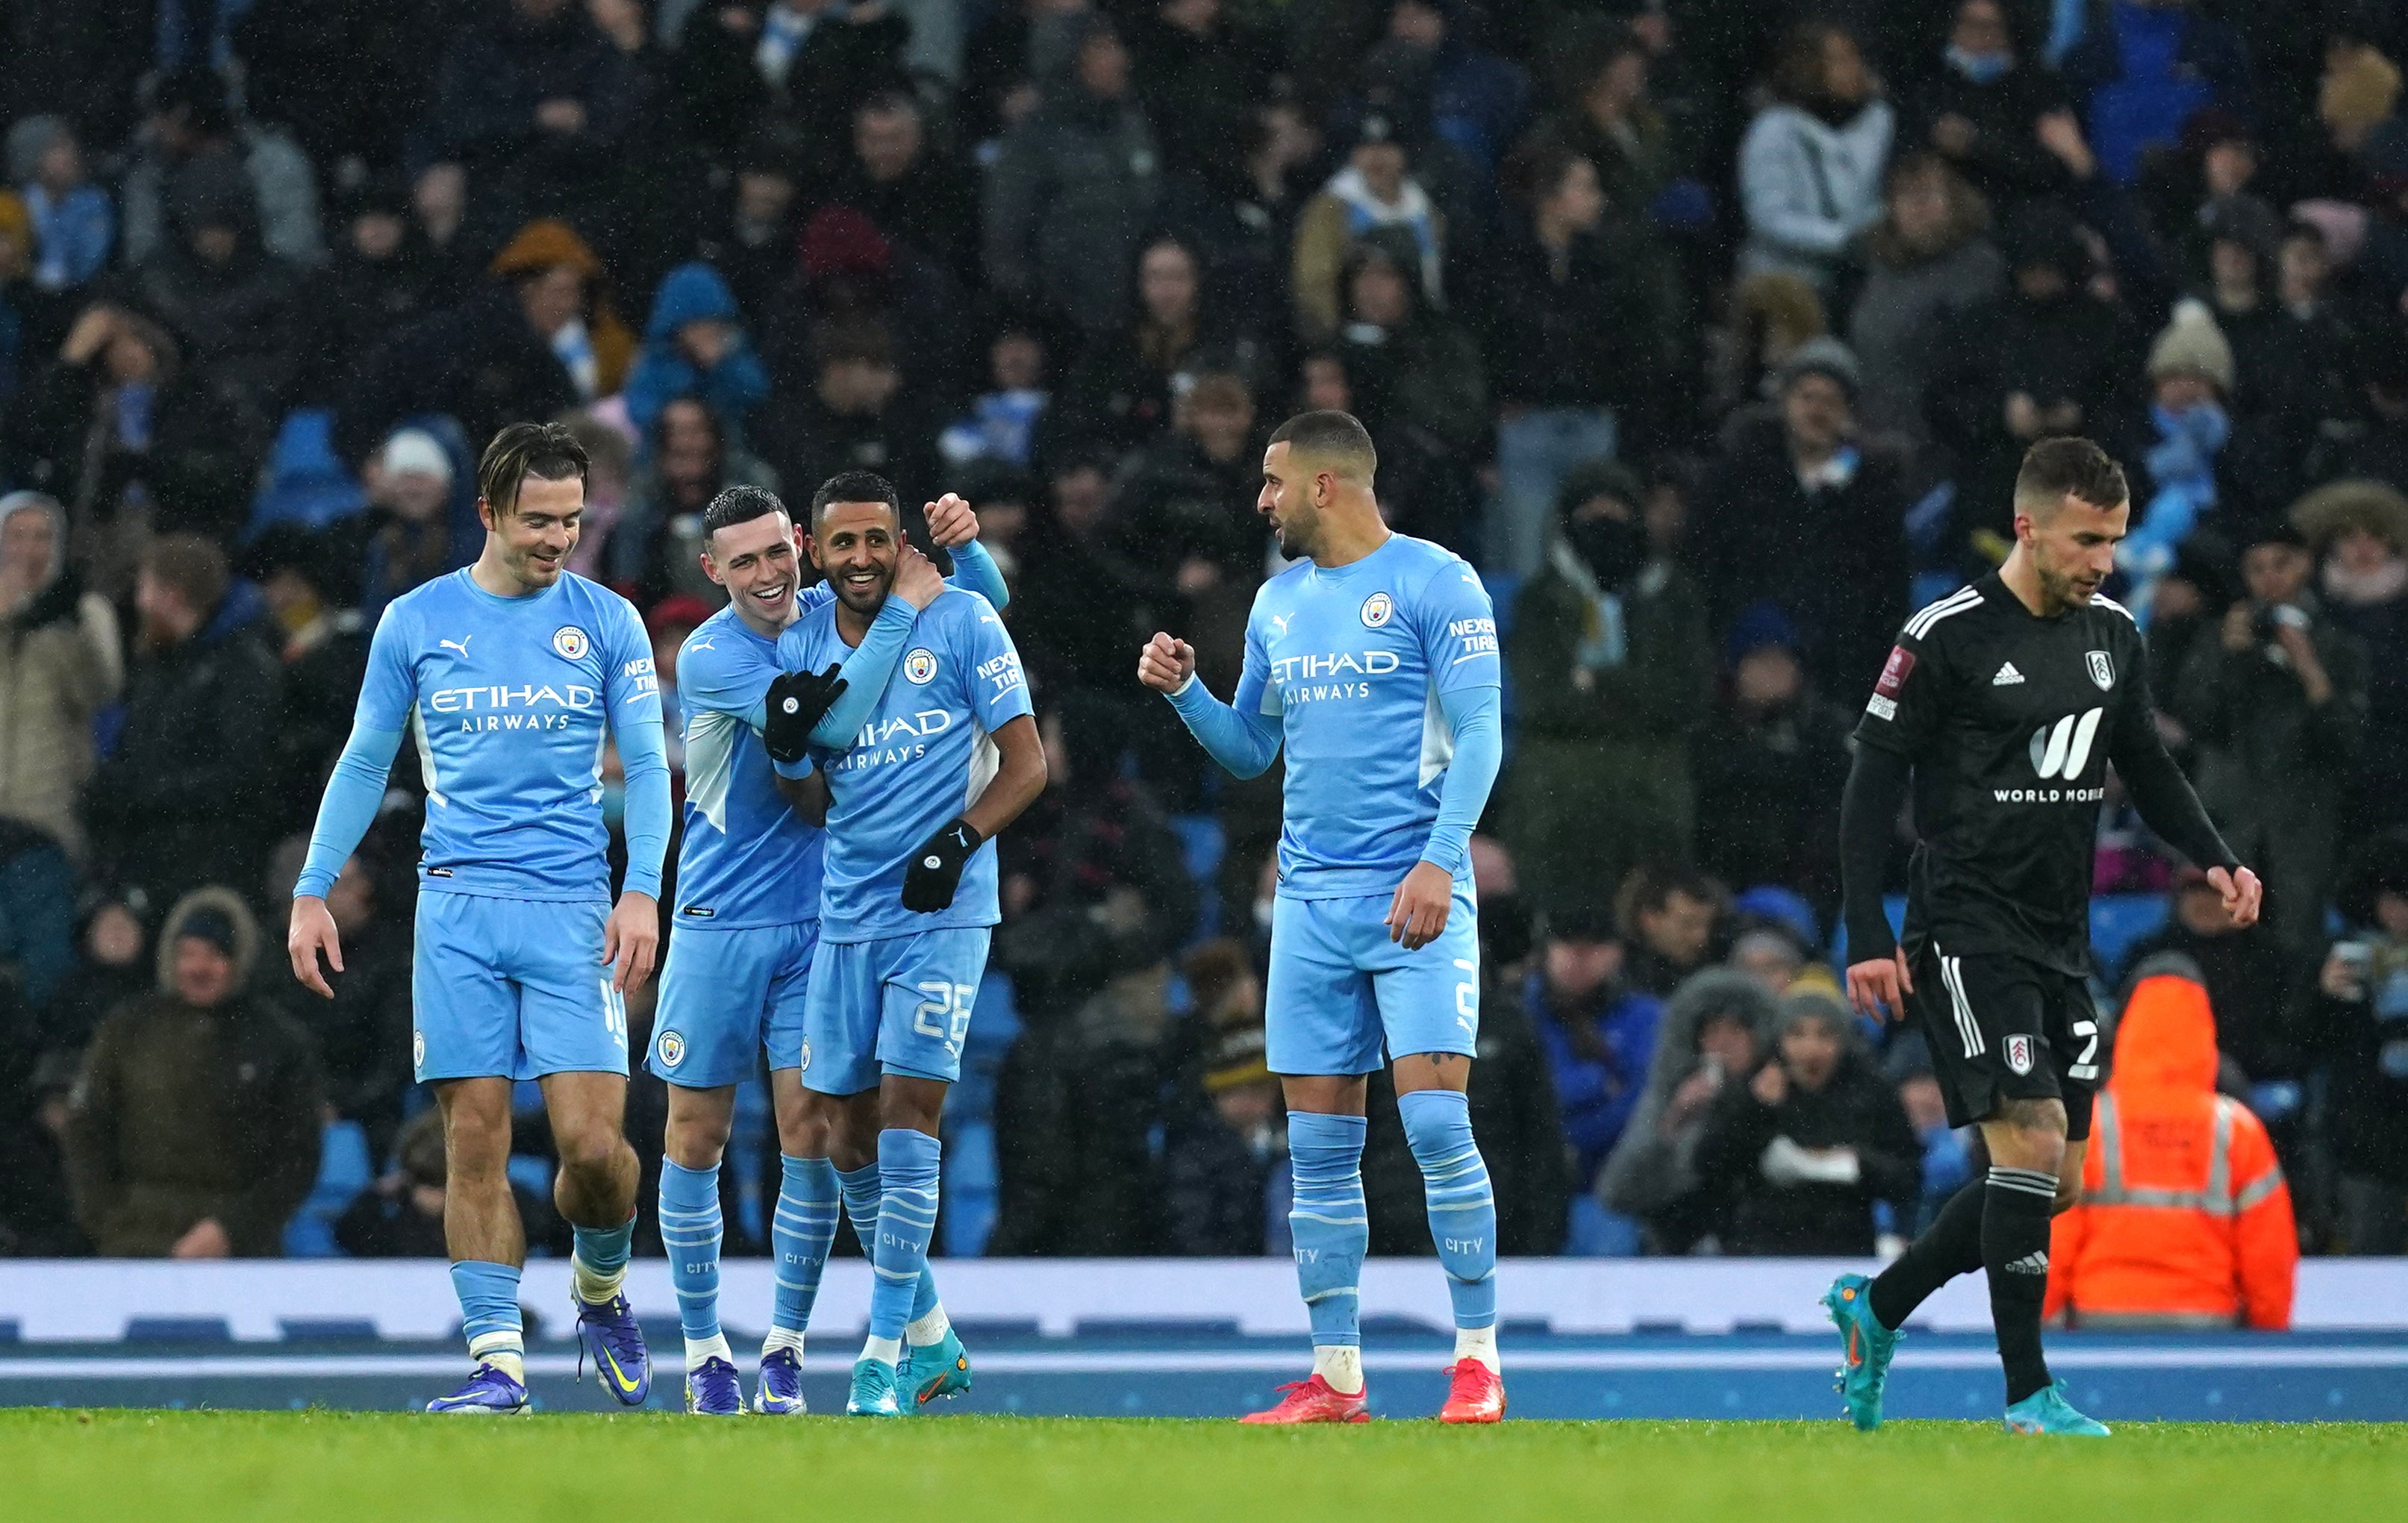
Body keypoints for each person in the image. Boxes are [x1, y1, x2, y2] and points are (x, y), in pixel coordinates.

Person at [1831, 437, 2264, 1437]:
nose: (2102, 561)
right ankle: (2028, 1394)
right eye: (2084, 540)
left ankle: (1876, 1306)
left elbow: (2146, 766)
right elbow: (1868, 788)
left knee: (2052, 1179)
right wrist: (1868, 929)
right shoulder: (1943, 634)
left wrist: (2215, 857)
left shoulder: (2113, 632)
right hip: (1962, 927)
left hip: (2058, 936)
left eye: (2111, 541)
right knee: (2028, 1137)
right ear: (2025, 527)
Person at [285, 422, 673, 1416]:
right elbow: (368, 759)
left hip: (571, 909)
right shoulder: (416, 622)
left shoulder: (611, 623)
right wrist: (313, 885)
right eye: (538, 519)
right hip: (455, 905)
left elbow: (651, 763)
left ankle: (599, 1290)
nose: (557, 538)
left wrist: (641, 889)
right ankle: (498, 1366)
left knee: (594, 1151)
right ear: (490, 512)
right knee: (474, 1138)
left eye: (572, 520)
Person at [1137, 409, 1507, 1424]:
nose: (1260, 500)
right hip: (1307, 906)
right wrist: (1184, 696)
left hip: (1411, 895)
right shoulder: (1276, 604)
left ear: (1325, 486)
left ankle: (1476, 1359)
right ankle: (1337, 1375)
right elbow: (1252, 750)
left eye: (1271, 482)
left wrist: (1440, 861)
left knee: (1435, 1123)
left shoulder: (1440, 583)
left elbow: (1479, 736)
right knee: (1318, 1149)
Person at [646, 483, 1007, 1414]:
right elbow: (828, 722)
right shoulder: (715, 654)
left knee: (817, 1136)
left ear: (799, 546)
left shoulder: (830, 606)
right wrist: (903, 608)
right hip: (719, 918)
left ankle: (785, 1350)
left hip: (828, 920)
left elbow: (969, 626)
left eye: (778, 553)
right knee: (696, 1135)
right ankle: (704, 1354)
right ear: (712, 569)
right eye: (745, 560)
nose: (769, 575)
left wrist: (964, 559)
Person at [773, 471, 1047, 1416]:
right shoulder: (797, 635)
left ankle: (880, 1354)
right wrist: (785, 754)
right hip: (845, 912)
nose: (860, 558)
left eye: (876, 541)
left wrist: (962, 842)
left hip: (943, 912)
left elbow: (1028, 762)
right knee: (836, 1130)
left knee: (908, 1113)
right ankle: (929, 1333)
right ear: (816, 550)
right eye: (841, 543)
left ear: (903, 545)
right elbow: (809, 803)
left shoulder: (963, 621)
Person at [63, 889, 324, 1257]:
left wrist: (233, 1230)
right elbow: (86, 1132)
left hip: (242, 1253)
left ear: (240, 960)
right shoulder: (126, 1030)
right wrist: (112, 1225)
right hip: (134, 1245)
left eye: (215, 955)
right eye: (188, 954)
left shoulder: (278, 1042)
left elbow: (298, 1157)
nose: (198, 968)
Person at [2044, 955, 2296, 1330]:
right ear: (2204, 1024)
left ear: (2129, 1023)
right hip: (2208, 1332)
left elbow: (2052, 1237)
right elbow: (2269, 1255)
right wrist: (2265, 1337)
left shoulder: (2091, 1124)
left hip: (2100, 1326)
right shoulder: (2237, 1130)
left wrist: (2045, 1326)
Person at [2173, 519, 2368, 956]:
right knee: (2218, 957)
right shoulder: (2219, 637)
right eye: (2257, 567)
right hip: (2228, 826)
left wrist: (2309, 668)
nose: (2269, 578)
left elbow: (2345, 744)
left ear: (2305, 565)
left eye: (2281, 564)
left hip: (2302, 834)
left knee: (2297, 957)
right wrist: (2228, 658)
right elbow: (2198, 723)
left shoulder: (2340, 646)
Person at [87, 537, 282, 908]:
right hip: (153, 859)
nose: (139, 602)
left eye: (145, 588)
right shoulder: (161, 664)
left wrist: (145, 793)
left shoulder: (242, 667)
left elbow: (243, 776)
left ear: (172, 595)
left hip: (209, 867)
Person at [1693, 986, 1921, 1255]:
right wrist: (1756, 1108)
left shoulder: (1871, 1093)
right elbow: (1708, 1167)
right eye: (1797, 1034)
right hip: (1762, 1250)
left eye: (1825, 1035)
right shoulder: (1751, 1088)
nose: (1810, 1048)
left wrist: (1857, 1164)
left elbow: (1908, 1176)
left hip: (1846, 1247)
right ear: (1779, 1039)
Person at [1598, 967, 1778, 1254]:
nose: (1724, 1043)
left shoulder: (1779, 1095)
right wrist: (1674, 1119)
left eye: (1736, 1031)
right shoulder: (1673, 1095)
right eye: (1713, 1031)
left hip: (1765, 1250)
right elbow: (1618, 1192)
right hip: (1680, 1255)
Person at [0, 491, 121, 860]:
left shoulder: (86, 612)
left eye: (41, 537)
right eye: (17, 536)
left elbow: (100, 692)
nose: (28, 550)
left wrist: (66, 626)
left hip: (46, 815)